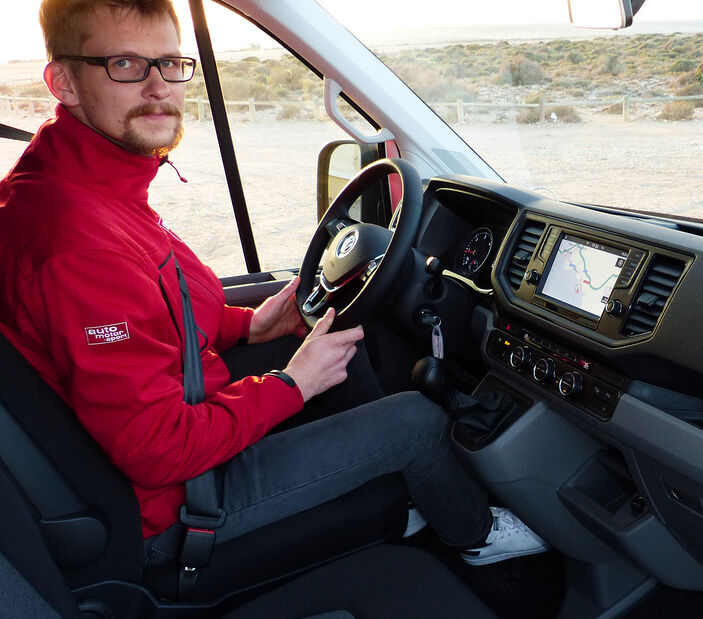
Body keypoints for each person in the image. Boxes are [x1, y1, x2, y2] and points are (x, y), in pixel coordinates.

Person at [0, 0, 546, 570]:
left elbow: (159, 312)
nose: (159, 87)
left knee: (341, 341)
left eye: (170, 63)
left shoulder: (81, 184)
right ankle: (474, 537)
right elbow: (157, 452)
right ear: (64, 82)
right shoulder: (75, 243)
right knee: (416, 421)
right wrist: (292, 384)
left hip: (162, 425)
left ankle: (385, 489)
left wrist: (250, 324)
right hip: (173, 506)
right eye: (126, 65)